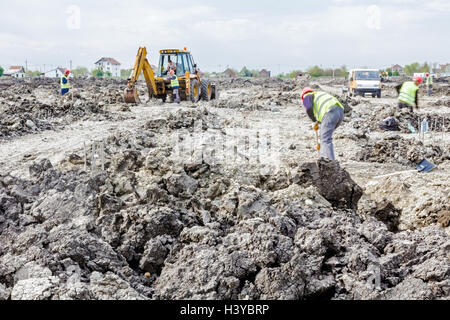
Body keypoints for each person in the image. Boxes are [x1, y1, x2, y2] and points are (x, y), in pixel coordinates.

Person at [301, 87, 345, 161]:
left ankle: (329, 163)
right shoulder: (319, 94)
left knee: (325, 139)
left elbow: (308, 109)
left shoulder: (307, 96)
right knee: (325, 137)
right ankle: (325, 159)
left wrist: (313, 120)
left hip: (330, 112)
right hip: (340, 112)